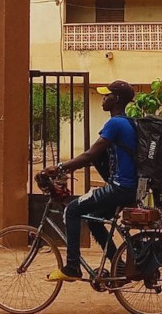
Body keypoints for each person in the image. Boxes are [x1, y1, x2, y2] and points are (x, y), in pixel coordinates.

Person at [38, 80, 138, 282]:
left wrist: (59, 168)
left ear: (116, 99)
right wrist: (68, 168)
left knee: (72, 210)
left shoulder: (115, 124)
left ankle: (72, 267)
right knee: (93, 218)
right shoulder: (128, 123)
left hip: (120, 188)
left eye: (107, 95)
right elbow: (97, 158)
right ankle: (118, 265)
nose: (103, 98)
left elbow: (90, 155)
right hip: (130, 189)